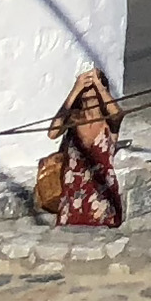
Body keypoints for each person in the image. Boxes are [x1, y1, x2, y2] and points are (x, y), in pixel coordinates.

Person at [39, 69, 126, 227]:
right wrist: (75, 89)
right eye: (86, 86)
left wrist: (99, 85)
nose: (89, 90)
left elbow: (118, 114)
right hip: (73, 194)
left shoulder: (109, 123)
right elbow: (52, 133)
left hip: (102, 194)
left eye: (92, 85)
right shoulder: (73, 120)